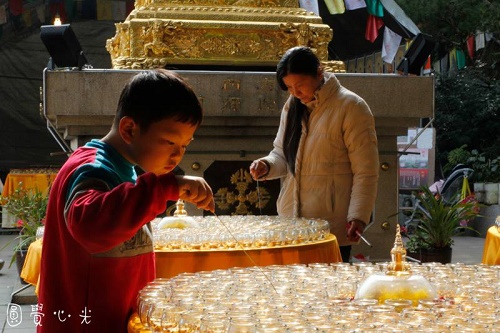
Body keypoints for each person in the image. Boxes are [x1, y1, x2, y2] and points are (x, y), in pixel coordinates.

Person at [37, 69, 215, 332]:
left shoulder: (125, 167)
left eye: (185, 146)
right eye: (169, 142)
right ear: (130, 129)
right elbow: (91, 226)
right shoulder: (92, 168)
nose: (178, 156)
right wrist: (166, 187)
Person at [249, 46, 379, 262]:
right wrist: (267, 165)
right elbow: (282, 153)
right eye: (289, 87)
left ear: (319, 73)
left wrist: (358, 216)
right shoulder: (292, 107)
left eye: (299, 85)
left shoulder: (351, 107)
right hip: (291, 223)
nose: (295, 93)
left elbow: (366, 171)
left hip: (331, 225)